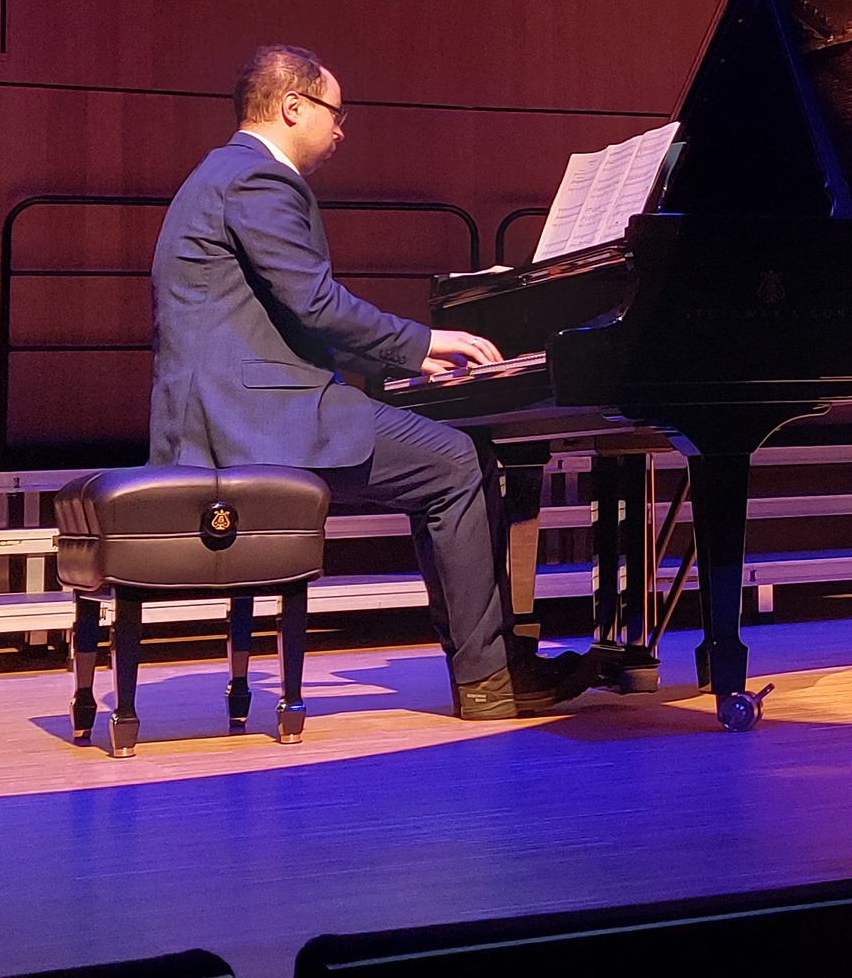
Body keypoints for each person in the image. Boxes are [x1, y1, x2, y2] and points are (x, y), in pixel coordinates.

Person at [148, 44, 591, 719]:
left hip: (229, 413)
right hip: (255, 423)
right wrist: (422, 344)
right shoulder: (259, 179)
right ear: (292, 106)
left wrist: (395, 367)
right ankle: (491, 677)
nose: (341, 130)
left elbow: (283, 319)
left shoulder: (219, 173)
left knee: (450, 455)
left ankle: (488, 663)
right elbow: (314, 304)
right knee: (457, 462)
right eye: (335, 113)